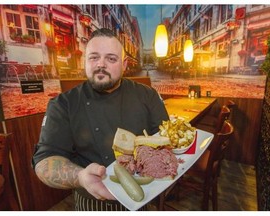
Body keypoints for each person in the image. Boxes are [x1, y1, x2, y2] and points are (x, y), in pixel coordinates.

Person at [32, 28, 169, 211]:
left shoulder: (148, 95)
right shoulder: (63, 104)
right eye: (94, 57)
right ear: (85, 61)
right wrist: (80, 176)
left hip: (140, 194)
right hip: (92, 201)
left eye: (111, 59)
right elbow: (44, 162)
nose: (100, 65)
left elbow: (165, 141)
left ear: (124, 64)